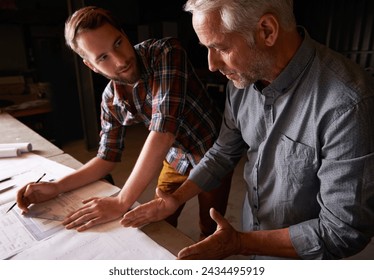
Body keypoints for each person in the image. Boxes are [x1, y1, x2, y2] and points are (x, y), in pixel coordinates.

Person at [121, 0, 374, 259]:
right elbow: (222, 152)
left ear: (267, 31)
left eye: (220, 47)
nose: (211, 64)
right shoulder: (243, 77)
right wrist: (177, 198)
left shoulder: (349, 103)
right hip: (252, 237)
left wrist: (240, 243)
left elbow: (342, 231)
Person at [16, 6, 233, 239]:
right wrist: (57, 187)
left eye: (118, 43)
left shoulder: (166, 52)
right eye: (103, 57)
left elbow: (163, 130)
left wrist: (122, 201)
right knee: (159, 219)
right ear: (91, 66)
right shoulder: (111, 99)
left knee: (210, 224)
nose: (120, 61)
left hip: (212, 152)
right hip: (175, 158)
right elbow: (106, 158)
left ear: (124, 34)